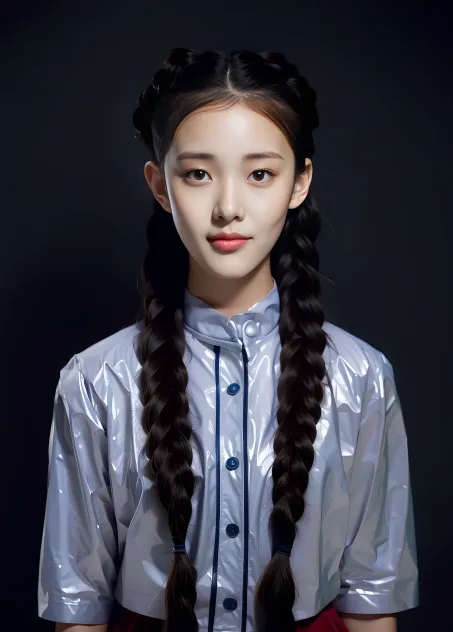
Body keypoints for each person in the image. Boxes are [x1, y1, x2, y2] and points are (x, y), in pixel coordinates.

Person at [37, 48, 419, 632]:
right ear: (160, 186)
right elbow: (78, 604)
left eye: (260, 172)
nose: (228, 208)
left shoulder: (361, 378)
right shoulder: (94, 382)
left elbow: (373, 598)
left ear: (300, 182)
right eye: (197, 173)